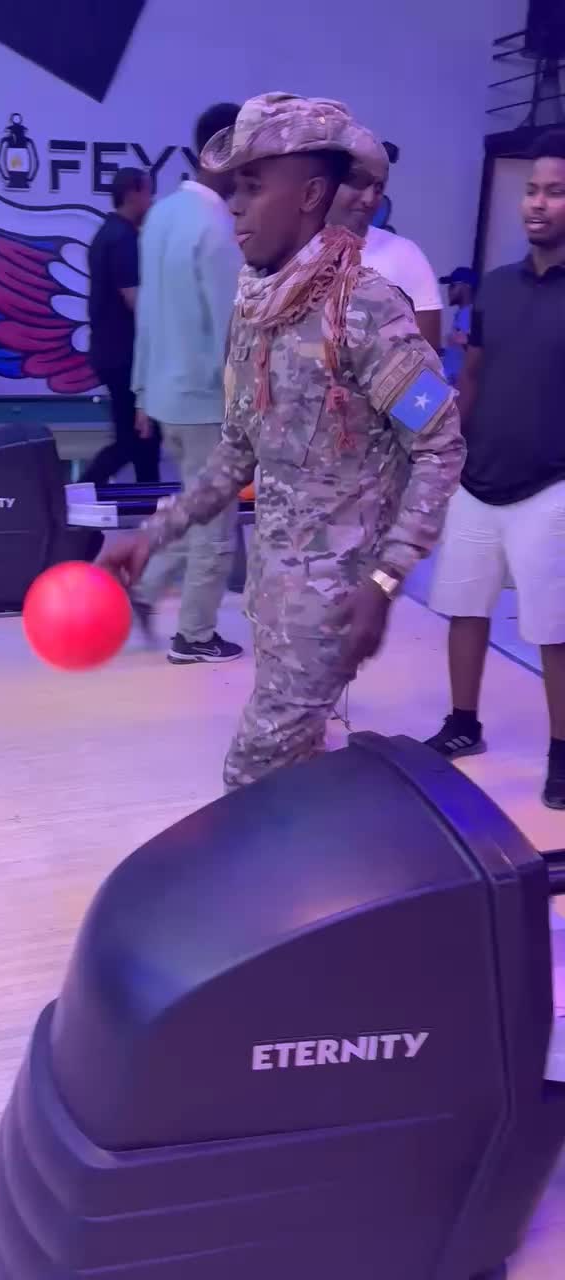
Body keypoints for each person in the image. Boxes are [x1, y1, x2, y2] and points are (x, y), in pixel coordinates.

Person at [101, 93, 464, 789]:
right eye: (232, 188)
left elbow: (440, 443)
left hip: (333, 602)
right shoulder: (259, 307)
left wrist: (386, 580)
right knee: (295, 772)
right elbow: (237, 451)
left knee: (253, 771)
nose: (234, 207)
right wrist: (154, 533)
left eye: (252, 187)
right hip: (273, 589)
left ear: (310, 195)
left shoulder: (367, 311)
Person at [425, 130, 565, 810]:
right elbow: (472, 376)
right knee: (464, 606)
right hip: (478, 478)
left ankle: (562, 753)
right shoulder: (497, 288)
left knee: (553, 629)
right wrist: (450, 449)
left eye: (555, 192)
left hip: (551, 483)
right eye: (532, 191)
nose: (537, 203)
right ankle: (463, 723)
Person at [129, 103, 244, 664]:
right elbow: (231, 331)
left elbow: (147, 313)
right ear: (226, 151)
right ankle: (194, 636)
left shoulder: (162, 215)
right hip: (206, 401)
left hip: (164, 396)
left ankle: (146, 589)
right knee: (215, 525)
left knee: (192, 508)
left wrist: (141, 393)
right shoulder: (218, 228)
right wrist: (249, 404)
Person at [84, 167, 158, 484]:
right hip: (123, 357)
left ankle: (150, 501)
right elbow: (136, 301)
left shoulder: (107, 234)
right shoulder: (122, 239)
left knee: (144, 441)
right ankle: (78, 491)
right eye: (148, 192)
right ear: (132, 194)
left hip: (111, 354)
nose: (152, 200)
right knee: (134, 439)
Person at [327, 148, 442, 350]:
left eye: (378, 188)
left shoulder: (406, 256)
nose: (369, 199)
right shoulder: (289, 249)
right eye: (358, 182)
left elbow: (428, 360)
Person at [439, 266, 477, 386]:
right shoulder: (462, 313)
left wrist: (467, 342)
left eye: (452, 286)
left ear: (466, 287)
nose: (448, 290)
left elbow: (476, 352)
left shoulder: (472, 315)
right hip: (448, 384)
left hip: (457, 388)